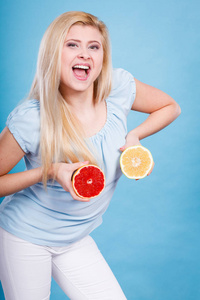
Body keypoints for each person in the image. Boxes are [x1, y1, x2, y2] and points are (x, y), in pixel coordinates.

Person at [0, 11, 181, 300]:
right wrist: (49, 171)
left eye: (93, 47)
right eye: (72, 45)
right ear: (53, 53)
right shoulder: (32, 119)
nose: (84, 54)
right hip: (25, 237)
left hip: (75, 239)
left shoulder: (117, 89)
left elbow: (170, 106)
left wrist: (133, 137)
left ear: (102, 58)